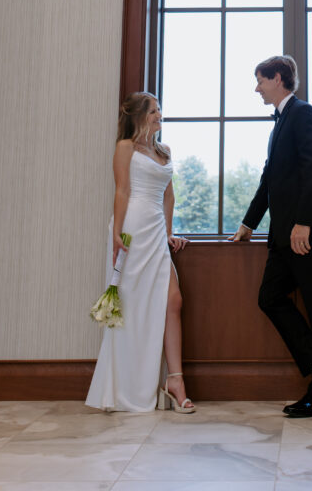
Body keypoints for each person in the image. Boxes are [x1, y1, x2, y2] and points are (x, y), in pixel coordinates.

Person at [230, 55, 312, 419]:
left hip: (303, 233)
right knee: (269, 297)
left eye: (261, 81)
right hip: (281, 235)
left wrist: (304, 223)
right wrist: (248, 224)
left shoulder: (304, 114)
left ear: (277, 78)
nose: (257, 88)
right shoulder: (281, 121)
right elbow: (269, 179)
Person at [86, 92, 195, 413]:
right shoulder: (125, 148)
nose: (159, 115)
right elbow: (122, 190)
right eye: (153, 111)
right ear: (138, 116)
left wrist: (169, 233)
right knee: (130, 306)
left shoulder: (164, 150)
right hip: (131, 229)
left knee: (173, 300)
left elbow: (168, 197)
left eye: (159, 109)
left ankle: (175, 381)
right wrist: (118, 234)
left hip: (156, 231)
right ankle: (124, 386)